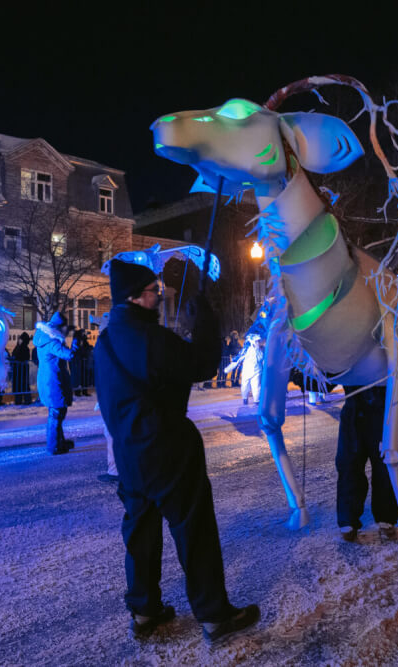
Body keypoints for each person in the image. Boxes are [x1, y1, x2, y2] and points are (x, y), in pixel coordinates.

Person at [94, 258, 259, 643]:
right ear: (135, 297)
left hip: (129, 455)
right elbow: (201, 364)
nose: (159, 295)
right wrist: (204, 319)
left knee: (140, 533)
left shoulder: (105, 343)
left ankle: (144, 609)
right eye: (153, 291)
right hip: (168, 449)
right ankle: (214, 615)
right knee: (194, 530)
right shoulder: (151, 339)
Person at [336, 385, 398, 541]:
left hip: (383, 414)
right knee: (349, 466)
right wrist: (304, 376)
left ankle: (386, 518)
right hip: (353, 415)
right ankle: (348, 520)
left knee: (384, 467)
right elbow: (331, 373)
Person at [34, 312, 75, 455]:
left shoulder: (45, 338)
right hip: (53, 381)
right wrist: (74, 345)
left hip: (50, 379)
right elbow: (68, 355)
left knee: (58, 412)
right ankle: (53, 445)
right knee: (56, 414)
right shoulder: (52, 341)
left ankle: (59, 441)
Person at [11, 332, 32, 405]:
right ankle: (24, 399)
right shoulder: (23, 348)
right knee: (23, 385)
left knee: (20, 385)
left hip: (19, 369)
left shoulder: (19, 347)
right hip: (21, 369)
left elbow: (16, 356)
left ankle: (21, 400)